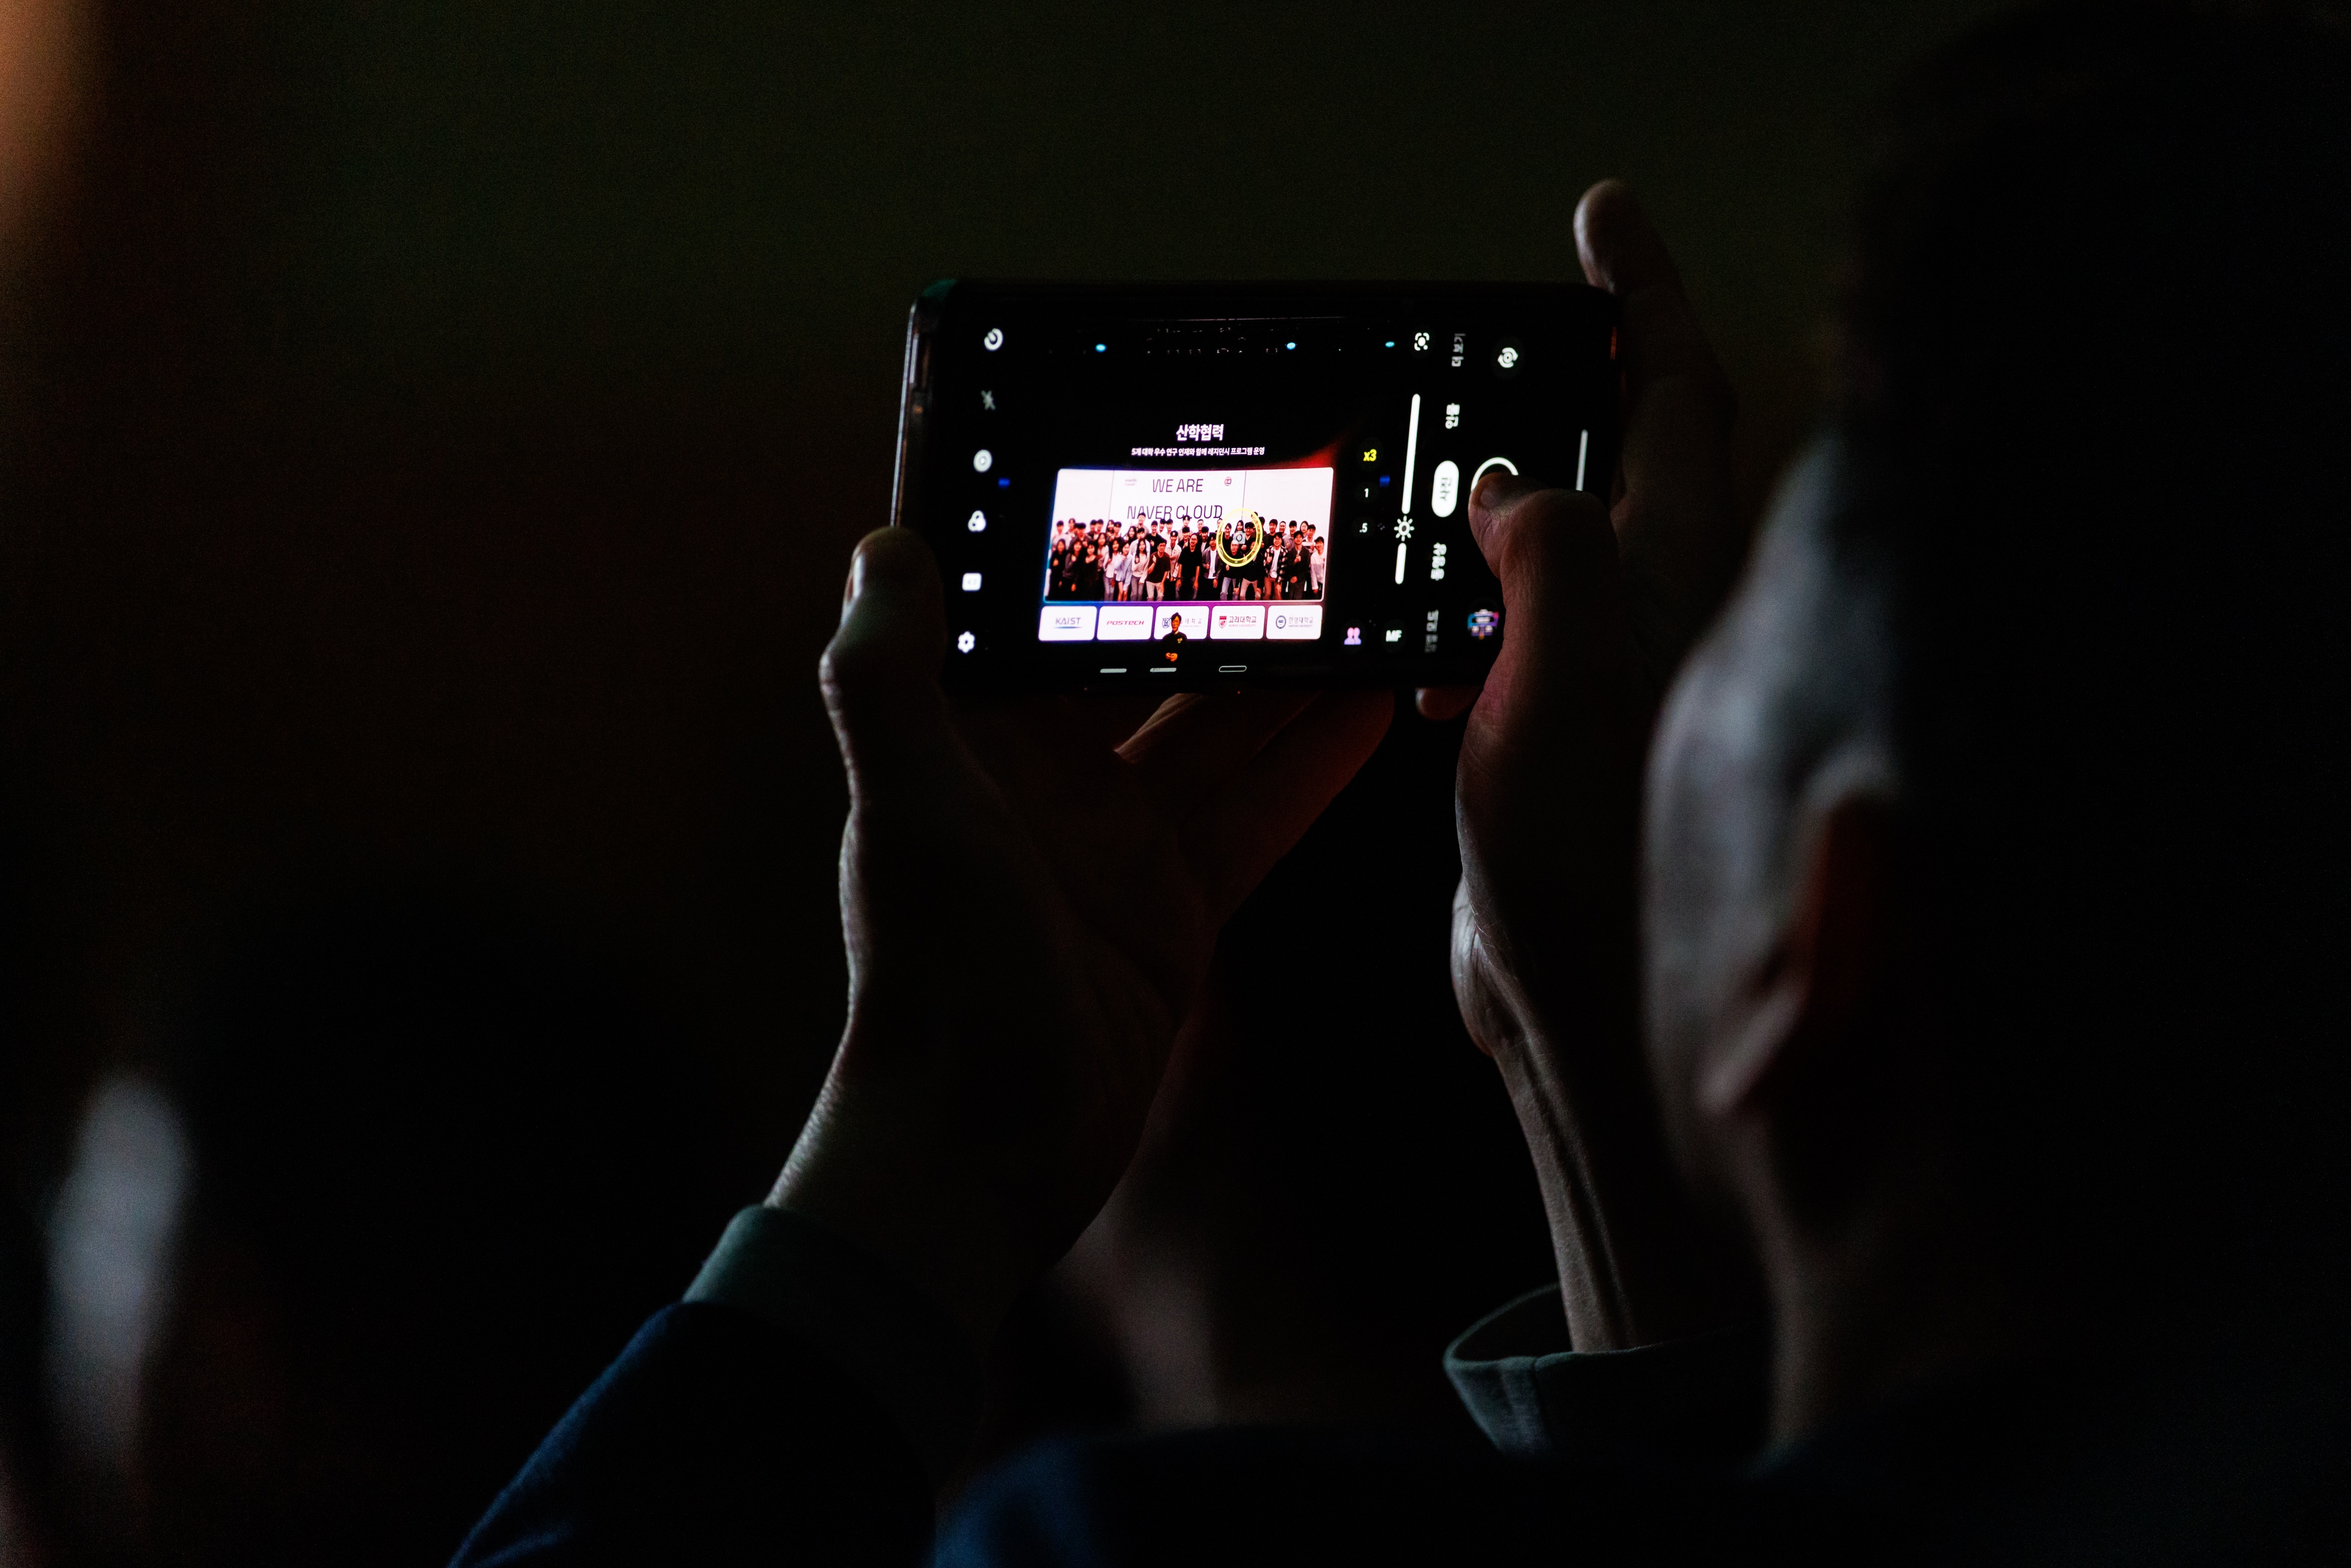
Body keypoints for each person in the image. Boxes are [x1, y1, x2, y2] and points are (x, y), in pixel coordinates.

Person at [454, 7, 2351, 1560]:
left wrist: (911, 1167)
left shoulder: (1137, 1553)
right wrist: (1623, 1111)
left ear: (1822, 922)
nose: (1644, 679)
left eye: (1727, 644)